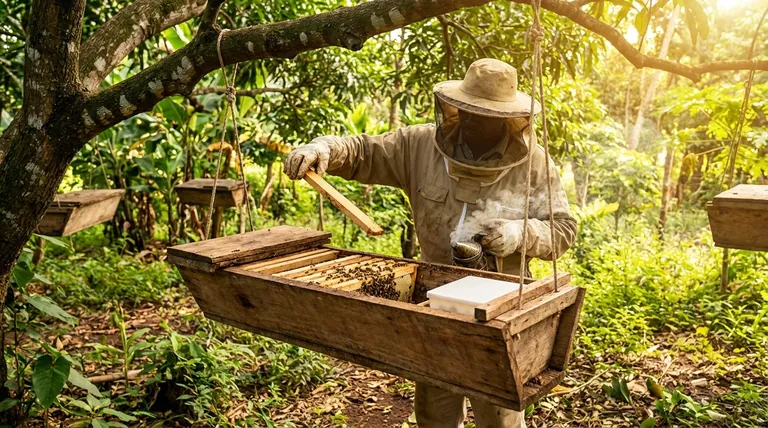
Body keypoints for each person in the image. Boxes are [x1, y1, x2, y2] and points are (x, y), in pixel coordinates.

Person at [283, 58, 577, 428]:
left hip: (503, 310)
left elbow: (563, 229)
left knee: (499, 417)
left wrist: (521, 233)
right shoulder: (419, 145)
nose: (472, 123)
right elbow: (363, 151)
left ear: (508, 120)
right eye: (467, 113)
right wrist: (325, 149)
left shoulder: (534, 164)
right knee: (436, 413)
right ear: (455, 108)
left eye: (485, 117)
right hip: (435, 303)